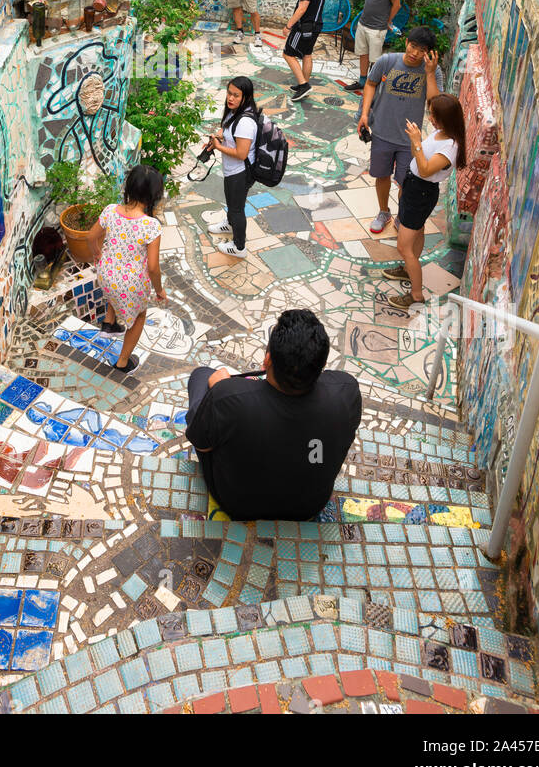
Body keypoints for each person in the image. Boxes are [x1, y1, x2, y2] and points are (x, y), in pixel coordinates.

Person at [185, 309, 362, 521]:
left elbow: (203, 446)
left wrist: (221, 389)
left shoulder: (228, 398)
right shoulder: (346, 392)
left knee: (201, 375)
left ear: (267, 360)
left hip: (237, 503)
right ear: (322, 366)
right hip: (309, 506)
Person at [384, 94, 467, 312]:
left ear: (445, 119)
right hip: (413, 187)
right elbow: (417, 158)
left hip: (421, 192)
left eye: (434, 115)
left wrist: (416, 142)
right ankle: (408, 269)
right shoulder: (441, 133)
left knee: (404, 247)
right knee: (417, 232)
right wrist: (417, 145)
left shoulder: (450, 147)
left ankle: (416, 295)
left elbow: (425, 169)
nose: (430, 118)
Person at [357, 26, 444, 235]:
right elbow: (370, 84)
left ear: (429, 52)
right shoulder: (387, 61)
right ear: (406, 42)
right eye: (413, 46)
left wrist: (430, 73)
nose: (415, 53)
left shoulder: (432, 71)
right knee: (381, 175)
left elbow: (434, 104)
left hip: (409, 139)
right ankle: (383, 212)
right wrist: (364, 113)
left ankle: (401, 216)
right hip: (382, 132)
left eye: (421, 50)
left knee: (406, 181)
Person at [86, 164, 166, 374]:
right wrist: (159, 290)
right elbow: (153, 267)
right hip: (131, 284)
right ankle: (122, 363)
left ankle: (109, 323)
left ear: (128, 187)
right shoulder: (151, 226)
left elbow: (90, 237)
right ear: (154, 195)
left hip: (106, 274)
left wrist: (96, 253)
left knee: (114, 288)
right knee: (139, 316)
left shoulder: (111, 210)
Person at [205, 76, 258, 259]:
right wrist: (218, 138)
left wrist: (219, 147)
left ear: (246, 98)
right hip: (232, 170)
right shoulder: (233, 111)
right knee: (232, 203)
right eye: (229, 93)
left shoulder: (245, 122)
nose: (231, 98)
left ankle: (239, 247)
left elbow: (242, 154)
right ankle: (229, 224)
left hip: (240, 172)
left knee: (237, 209)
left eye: (236, 95)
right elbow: (225, 129)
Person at [348, 0, 401, 94]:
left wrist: (387, 21)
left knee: (375, 59)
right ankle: (362, 81)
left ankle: (373, 86)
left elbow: (397, 5)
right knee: (363, 53)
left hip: (377, 28)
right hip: (363, 23)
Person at [282, 0, 328, 101]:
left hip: (304, 27)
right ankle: (304, 84)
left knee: (288, 54)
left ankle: (303, 85)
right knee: (307, 54)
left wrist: (288, 26)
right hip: (316, 25)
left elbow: (302, 9)